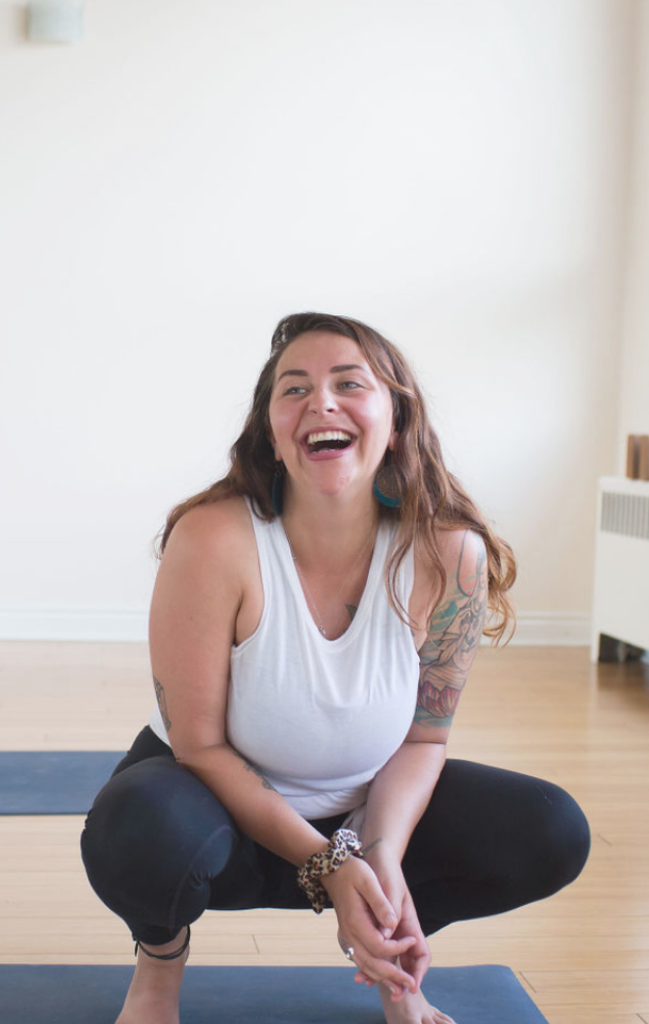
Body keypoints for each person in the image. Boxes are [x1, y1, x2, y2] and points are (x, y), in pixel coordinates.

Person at [80, 312, 590, 1024]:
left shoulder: (449, 554)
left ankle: (392, 965)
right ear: (273, 433)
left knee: (551, 830)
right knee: (136, 829)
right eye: (295, 389)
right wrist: (330, 866)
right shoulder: (214, 539)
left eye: (349, 384)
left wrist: (377, 859)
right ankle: (158, 971)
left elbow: (424, 740)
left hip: (364, 812)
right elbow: (199, 746)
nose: (321, 402)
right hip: (219, 816)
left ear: (397, 419)